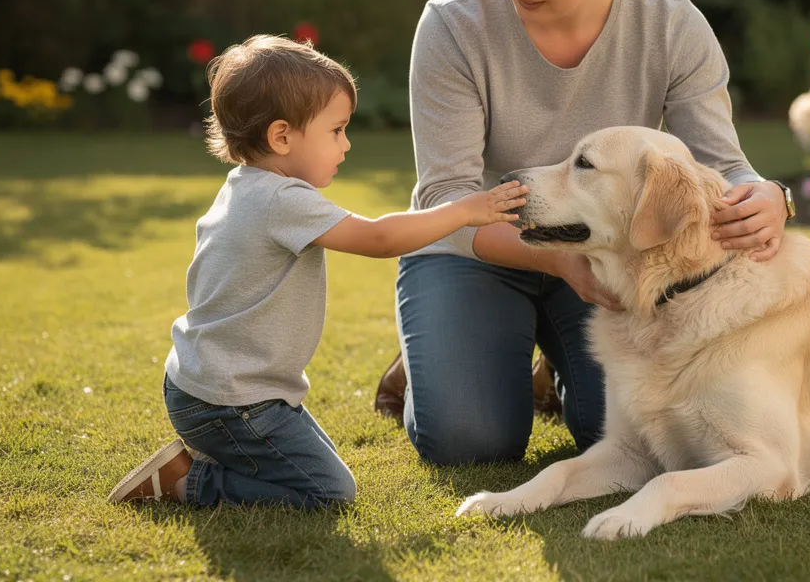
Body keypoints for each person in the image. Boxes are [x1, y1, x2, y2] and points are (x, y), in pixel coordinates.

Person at [379, 0, 796, 466]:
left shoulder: (672, 25)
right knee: (471, 440)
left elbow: (721, 164)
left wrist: (769, 195)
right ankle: (433, 358)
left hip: (608, 259)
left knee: (620, 440)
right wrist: (554, 261)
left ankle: (546, 360)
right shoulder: (453, 24)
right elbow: (446, 198)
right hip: (478, 248)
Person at [107, 35, 527, 506]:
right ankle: (184, 483)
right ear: (281, 137)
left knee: (317, 469)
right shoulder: (281, 200)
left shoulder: (248, 187)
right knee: (329, 492)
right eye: (336, 130)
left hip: (218, 390)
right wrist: (464, 211)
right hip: (232, 403)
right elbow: (380, 239)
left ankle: (217, 460)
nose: (347, 144)